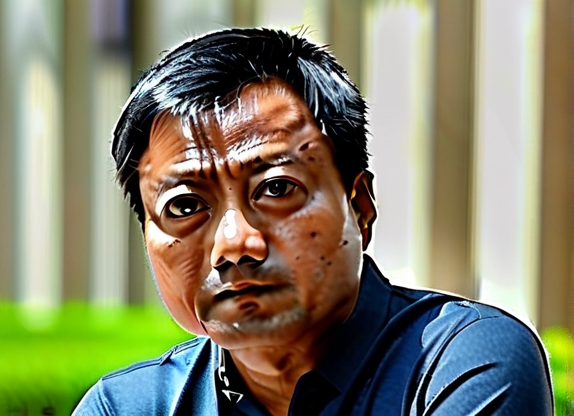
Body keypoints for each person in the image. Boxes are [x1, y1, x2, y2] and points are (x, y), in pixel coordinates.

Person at [74, 27, 553, 415]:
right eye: (184, 207)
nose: (235, 244)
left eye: (276, 189)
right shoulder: (126, 406)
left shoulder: (460, 362)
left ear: (359, 206)